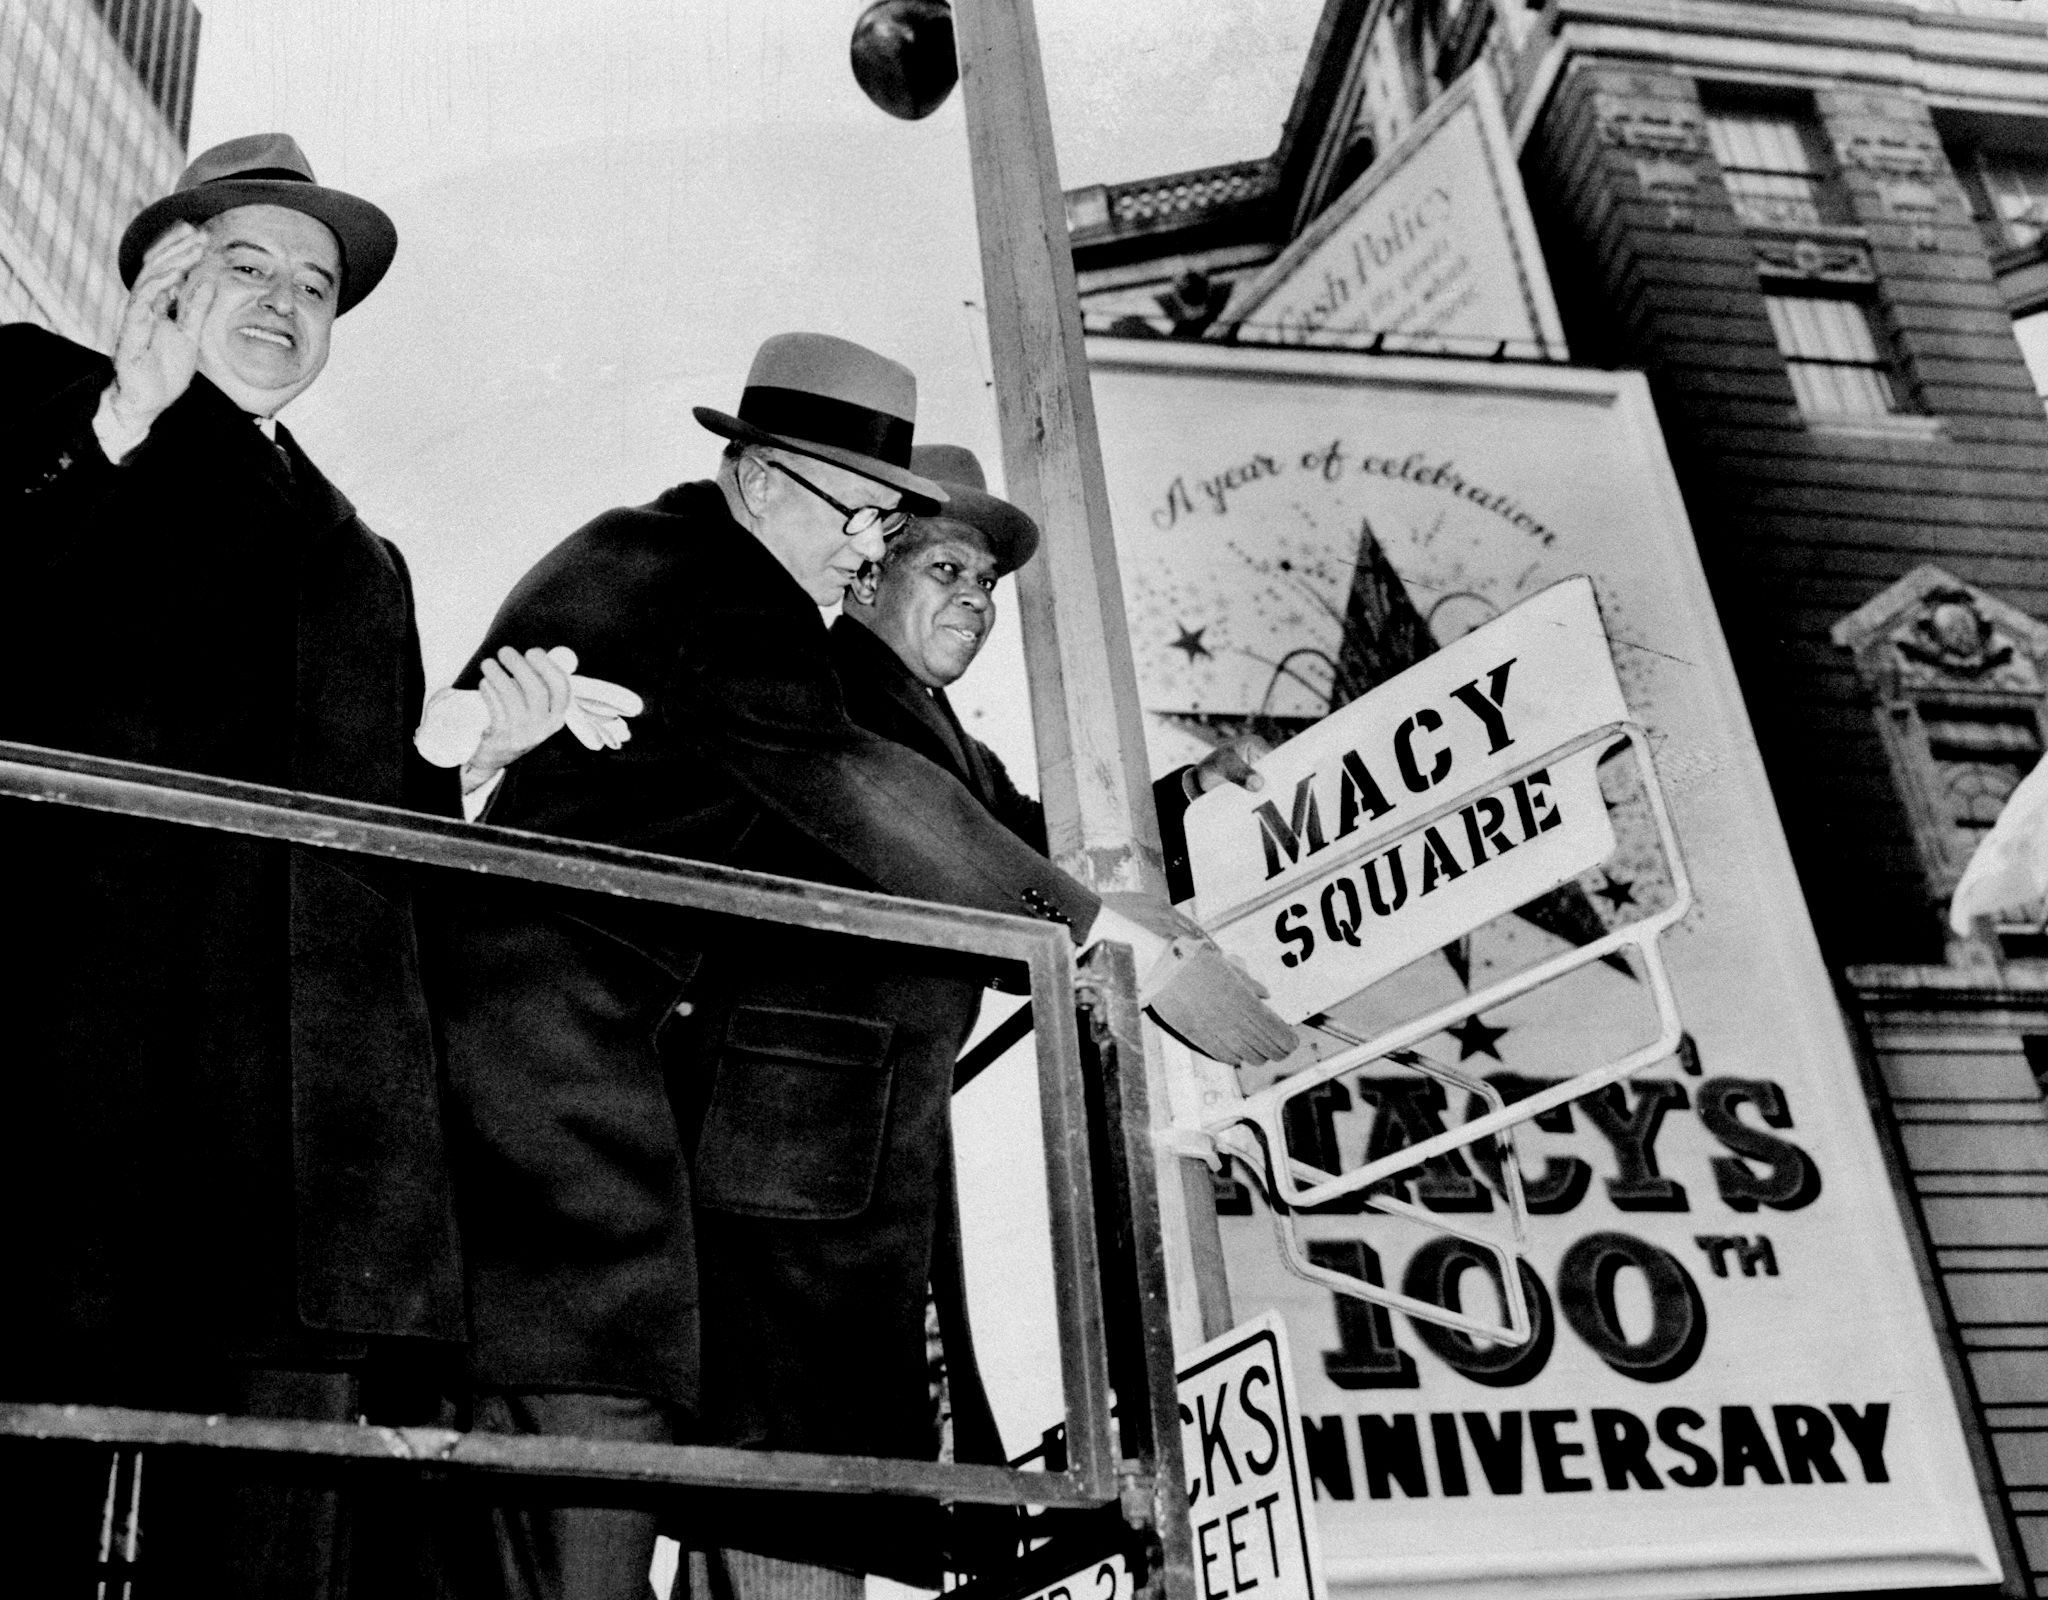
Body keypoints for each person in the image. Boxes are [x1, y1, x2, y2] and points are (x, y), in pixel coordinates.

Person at [431, 332, 1295, 1600]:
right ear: (766, 476)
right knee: (630, 1466)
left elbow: (998, 832)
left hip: (643, 1128)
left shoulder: (725, 593)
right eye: (879, 527)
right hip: (592, 1111)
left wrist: (1196, 815)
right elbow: (867, 793)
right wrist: (1125, 955)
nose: (867, 554)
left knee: (640, 1461)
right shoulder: (714, 592)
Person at [0, 132, 556, 1596]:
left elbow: (379, 855)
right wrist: (122, 416)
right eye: (250, 264)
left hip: (305, 1166)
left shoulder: (363, 556)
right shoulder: (45, 403)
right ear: (166, 272)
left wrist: (465, 761)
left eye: (316, 286)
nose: (288, 304)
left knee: (268, 1555)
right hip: (75, 1111)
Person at [679, 444, 1270, 1593]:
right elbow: (971, 866)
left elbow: (1029, 852)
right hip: (790, 1168)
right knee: (801, 1508)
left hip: (848, 1168)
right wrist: (1124, 944)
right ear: (863, 574)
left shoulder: (926, 726)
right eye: (945, 566)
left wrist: (1186, 806)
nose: (972, 600)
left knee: (809, 1504)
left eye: (987, 586)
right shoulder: (833, 694)